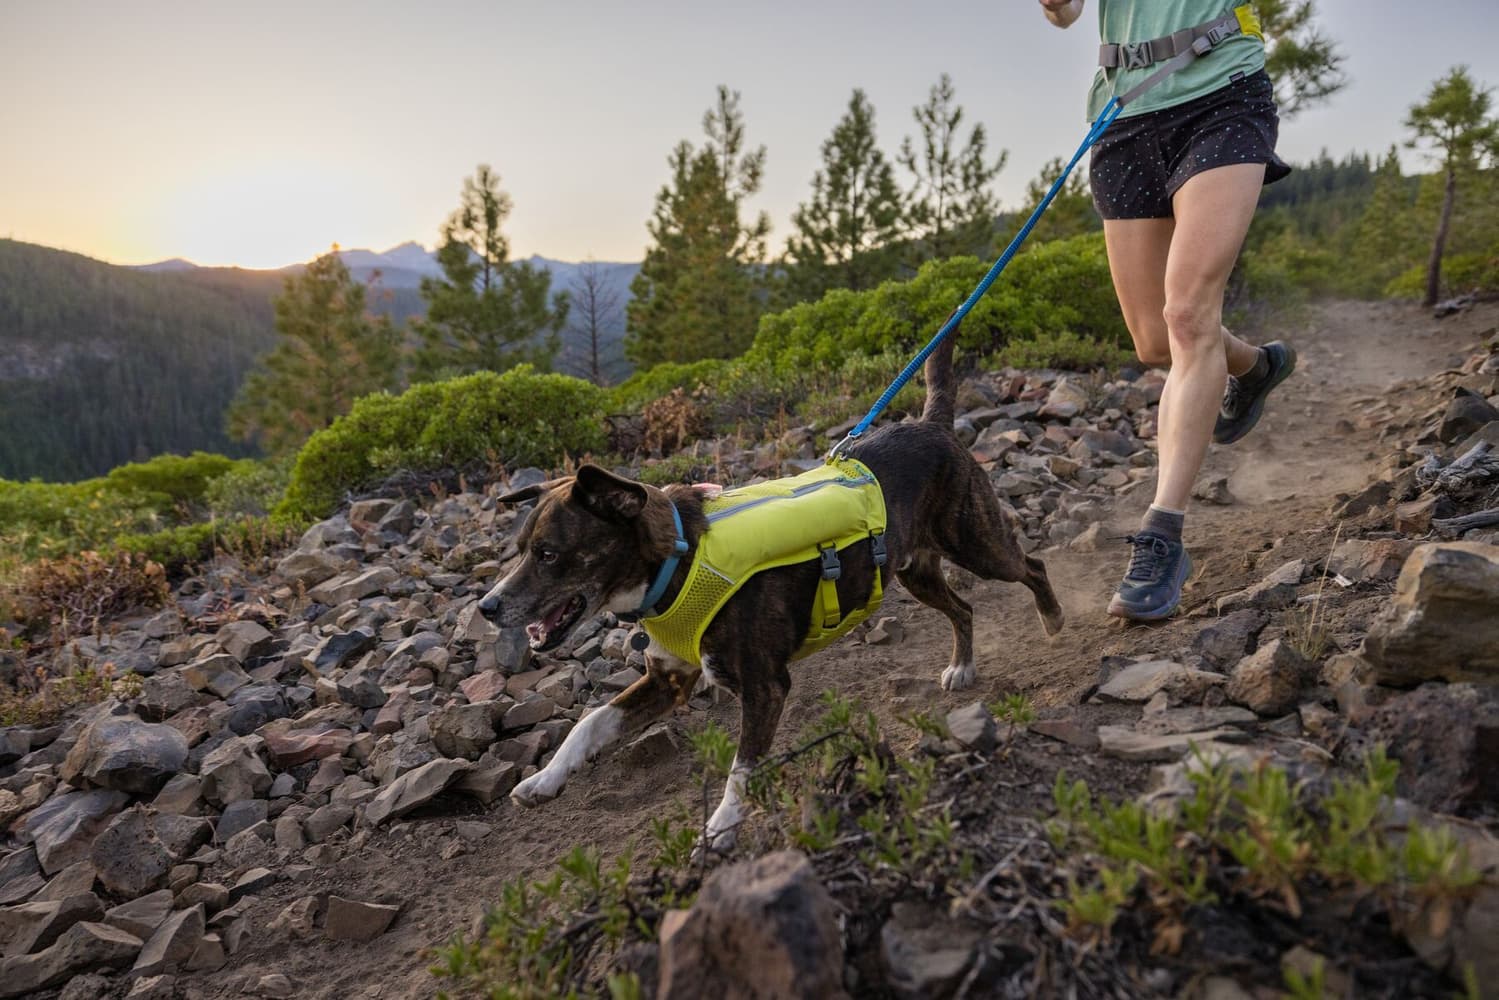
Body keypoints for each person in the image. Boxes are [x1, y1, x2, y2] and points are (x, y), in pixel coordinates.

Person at [1039, 0, 1297, 621]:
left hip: (1222, 92)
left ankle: (1162, 535)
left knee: (1186, 313)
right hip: (1125, 112)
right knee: (1156, 341)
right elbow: (1066, 14)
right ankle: (1252, 366)